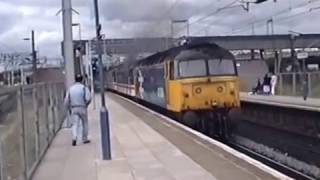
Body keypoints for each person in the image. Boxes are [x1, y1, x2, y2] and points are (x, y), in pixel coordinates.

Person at [64, 74, 92, 146]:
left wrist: (68, 108)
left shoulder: (71, 89)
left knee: (75, 124)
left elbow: (66, 100)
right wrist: (86, 104)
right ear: (82, 80)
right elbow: (88, 98)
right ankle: (84, 138)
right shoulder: (84, 88)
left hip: (74, 108)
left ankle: (74, 137)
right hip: (82, 107)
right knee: (85, 123)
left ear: (75, 79)